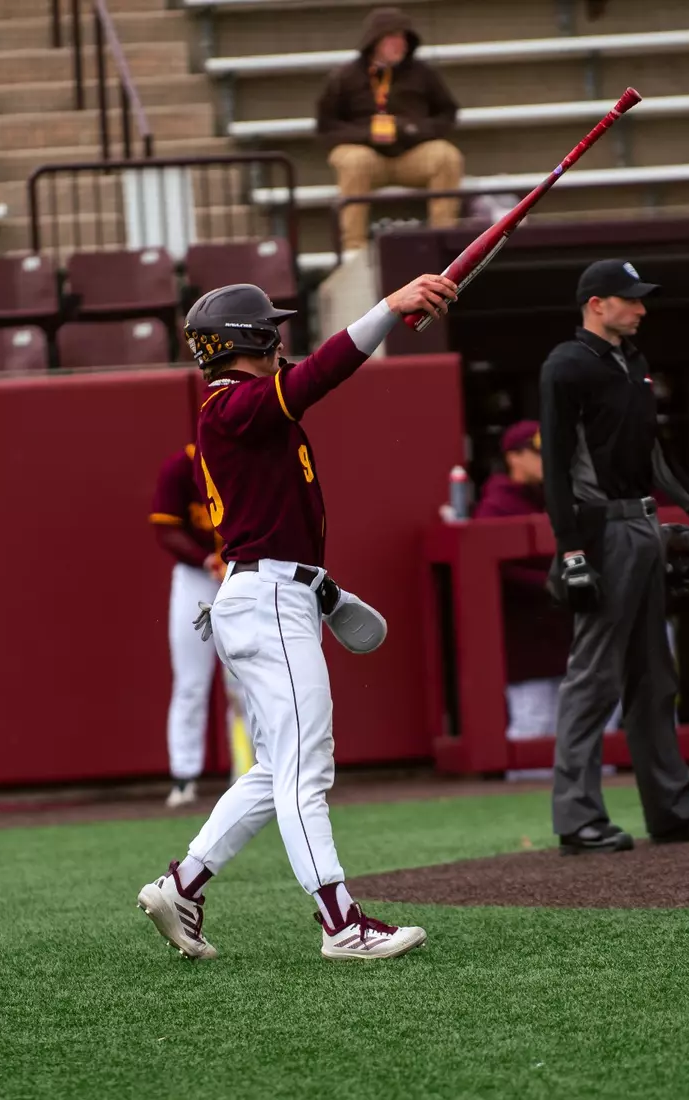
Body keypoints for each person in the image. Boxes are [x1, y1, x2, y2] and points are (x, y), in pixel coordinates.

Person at [135, 269, 456, 962]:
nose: (281, 342)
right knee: (307, 768)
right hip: (268, 601)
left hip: (272, 595)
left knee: (276, 766)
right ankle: (341, 923)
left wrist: (321, 589)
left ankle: (183, 886)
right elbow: (320, 375)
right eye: (271, 332)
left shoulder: (236, 410)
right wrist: (389, 308)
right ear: (248, 339)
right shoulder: (232, 405)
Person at [539, 259, 689, 854]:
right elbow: (556, 466)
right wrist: (571, 550)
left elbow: (653, 453)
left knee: (655, 676)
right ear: (596, 304)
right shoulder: (566, 364)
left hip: (643, 523)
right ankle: (577, 818)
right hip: (601, 529)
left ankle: (673, 809)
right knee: (593, 678)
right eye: (630, 299)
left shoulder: (632, 361)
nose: (641, 308)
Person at [150, 442, 254, 809]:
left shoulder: (246, 460)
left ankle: (250, 773)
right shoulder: (180, 467)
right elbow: (166, 530)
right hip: (196, 576)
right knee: (191, 681)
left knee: (244, 681)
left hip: (242, 573)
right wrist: (205, 558)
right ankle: (184, 775)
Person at [316, 6, 462, 252]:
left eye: (403, 37)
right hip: (366, 156)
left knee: (446, 156)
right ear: (374, 41)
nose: (400, 44)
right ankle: (353, 248)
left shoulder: (423, 73)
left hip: (411, 154)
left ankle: (443, 239)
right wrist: (366, 135)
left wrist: (413, 129)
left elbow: (448, 114)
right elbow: (326, 126)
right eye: (392, 37)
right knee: (354, 161)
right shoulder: (345, 76)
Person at [473, 421, 570, 776]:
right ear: (514, 457)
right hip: (526, 638)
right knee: (534, 721)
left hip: (563, 632)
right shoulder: (496, 504)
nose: (548, 461)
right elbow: (495, 568)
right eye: (538, 453)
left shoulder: (553, 497)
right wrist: (547, 583)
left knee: (576, 723)